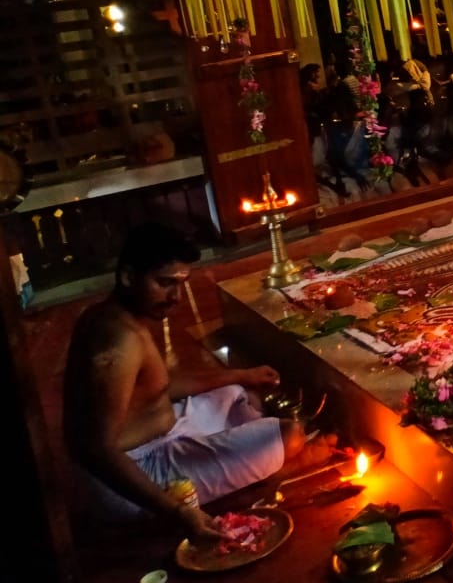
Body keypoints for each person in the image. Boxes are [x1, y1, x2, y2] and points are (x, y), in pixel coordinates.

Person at [63, 223, 328, 541]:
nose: (175, 297)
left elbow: (159, 387)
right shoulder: (118, 342)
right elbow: (95, 449)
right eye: (164, 283)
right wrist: (178, 511)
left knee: (238, 392)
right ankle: (256, 461)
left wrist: (241, 374)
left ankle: (241, 442)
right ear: (128, 277)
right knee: (290, 435)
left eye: (181, 284)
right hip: (136, 472)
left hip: (163, 431)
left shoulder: (114, 316)